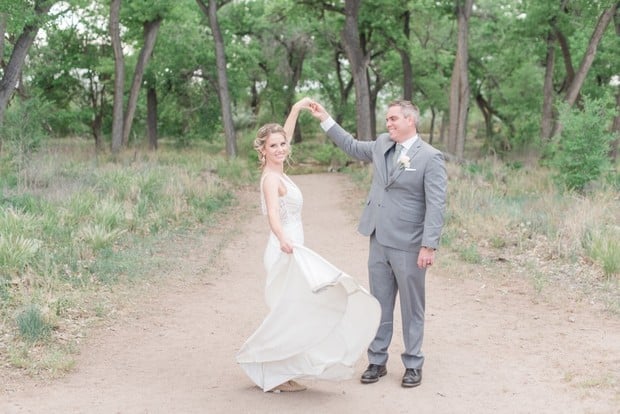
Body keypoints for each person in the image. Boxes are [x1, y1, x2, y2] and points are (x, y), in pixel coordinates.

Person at [236, 98, 380, 393]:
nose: (280, 148)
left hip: (294, 245)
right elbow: (273, 216)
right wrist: (283, 240)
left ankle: (282, 369)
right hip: (284, 250)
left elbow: (286, 133)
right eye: (273, 145)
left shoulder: (280, 171)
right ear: (262, 150)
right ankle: (272, 371)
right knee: (290, 313)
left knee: (298, 311)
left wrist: (296, 109)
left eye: (282, 144)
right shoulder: (270, 179)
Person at [307, 99, 447, 388]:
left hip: (409, 244)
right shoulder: (383, 144)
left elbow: (436, 205)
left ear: (411, 121)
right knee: (379, 304)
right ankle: (377, 360)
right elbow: (352, 146)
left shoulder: (430, 157)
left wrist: (428, 245)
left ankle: (413, 363)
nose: (389, 124)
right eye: (387, 120)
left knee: (412, 306)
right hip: (378, 239)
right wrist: (325, 119)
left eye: (394, 119)